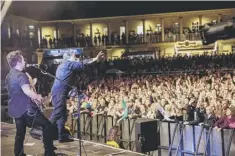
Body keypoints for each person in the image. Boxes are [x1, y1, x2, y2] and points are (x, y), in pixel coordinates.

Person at [5, 50, 57, 156]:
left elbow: (17, 90)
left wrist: (31, 84)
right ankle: (49, 152)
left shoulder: (9, 76)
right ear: (18, 62)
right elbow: (27, 91)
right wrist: (38, 97)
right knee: (47, 126)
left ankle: (18, 154)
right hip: (27, 109)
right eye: (23, 60)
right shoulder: (21, 75)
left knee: (20, 133)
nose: (25, 62)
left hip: (15, 109)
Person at [49, 50, 104, 143]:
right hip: (60, 91)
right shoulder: (69, 64)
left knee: (62, 114)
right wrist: (95, 58)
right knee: (58, 112)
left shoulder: (62, 65)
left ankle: (61, 136)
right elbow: (83, 64)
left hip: (58, 91)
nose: (76, 58)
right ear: (70, 58)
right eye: (75, 57)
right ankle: (45, 132)